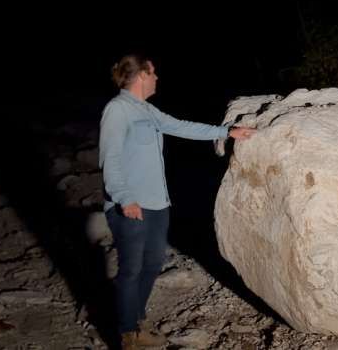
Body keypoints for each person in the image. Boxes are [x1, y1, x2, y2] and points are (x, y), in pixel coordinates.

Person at [99, 54, 254, 349]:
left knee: (153, 263)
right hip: (130, 205)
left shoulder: (147, 110)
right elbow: (111, 159)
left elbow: (182, 127)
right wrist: (124, 198)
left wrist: (227, 132)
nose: (157, 78)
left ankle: (137, 320)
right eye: (153, 72)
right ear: (141, 75)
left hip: (157, 204)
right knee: (131, 268)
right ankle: (127, 335)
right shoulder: (117, 110)